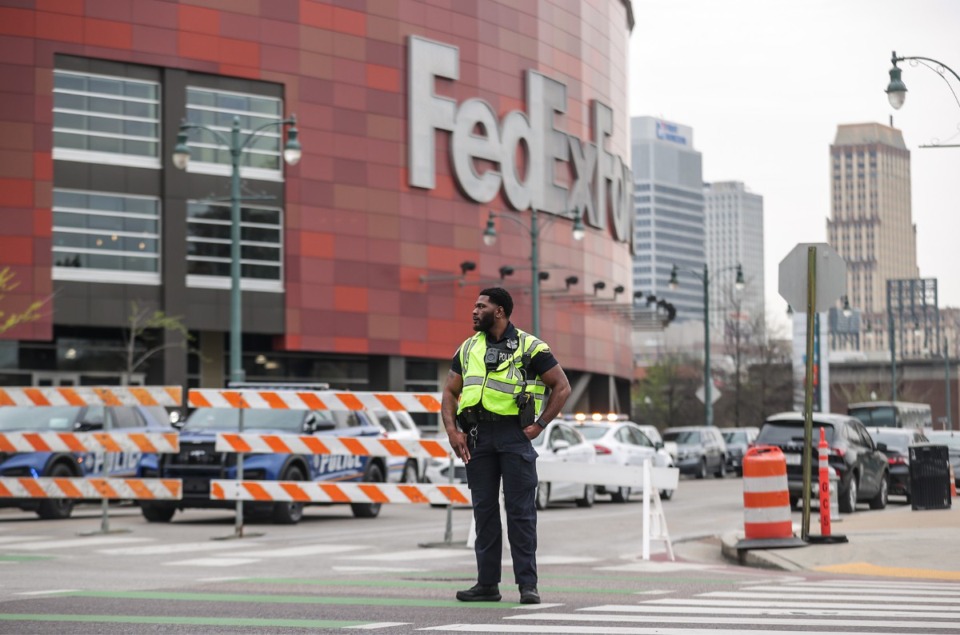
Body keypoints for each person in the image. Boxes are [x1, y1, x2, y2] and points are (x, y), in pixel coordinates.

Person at [441, 287, 571, 605]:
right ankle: (487, 584)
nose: (474, 311)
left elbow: (562, 386)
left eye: (481, 306)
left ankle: (528, 585)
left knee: (520, 513)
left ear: (499, 311)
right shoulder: (468, 347)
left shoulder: (530, 346)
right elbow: (449, 392)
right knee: (484, 513)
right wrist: (452, 432)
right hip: (477, 437)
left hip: (515, 435)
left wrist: (540, 425)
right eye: (474, 305)